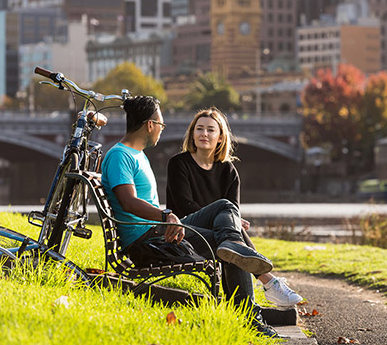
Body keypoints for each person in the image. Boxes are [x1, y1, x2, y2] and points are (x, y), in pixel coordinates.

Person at [100, 96, 278, 337]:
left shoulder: (136, 155)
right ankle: (250, 316)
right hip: (147, 242)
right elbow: (128, 201)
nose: (162, 131)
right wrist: (166, 215)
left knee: (225, 212)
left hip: (157, 233)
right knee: (230, 248)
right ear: (150, 125)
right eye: (161, 125)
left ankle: (238, 257)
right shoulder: (121, 156)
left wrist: (166, 219)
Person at [166, 107, 303, 307]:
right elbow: (184, 206)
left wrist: (229, 220)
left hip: (217, 234)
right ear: (192, 134)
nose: (204, 133)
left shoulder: (228, 170)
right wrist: (227, 218)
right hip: (185, 229)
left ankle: (246, 307)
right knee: (227, 216)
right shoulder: (179, 163)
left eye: (211, 130)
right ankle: (269, 282)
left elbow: (234, 212)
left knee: (231, 241)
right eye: (199, 129)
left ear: (220, 137)